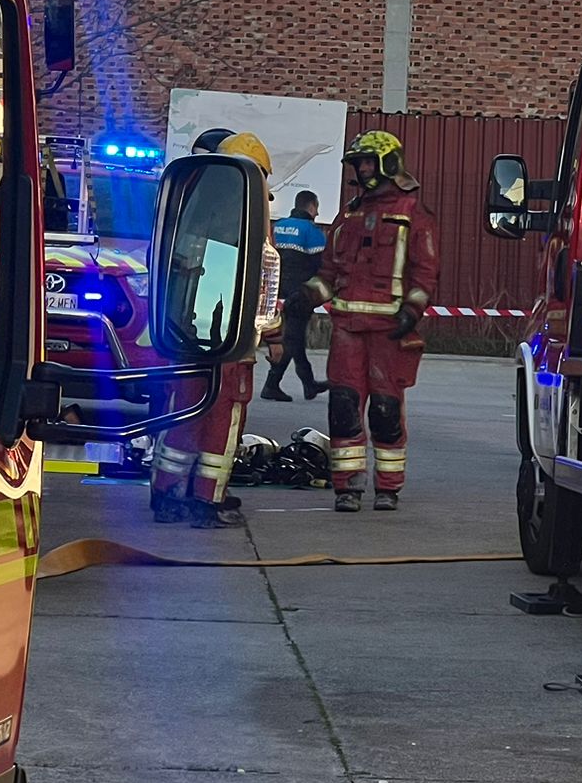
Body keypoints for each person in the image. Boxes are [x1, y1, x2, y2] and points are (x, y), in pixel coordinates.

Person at [296, 131, 438, 513]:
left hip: (389, 332)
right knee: (343, 408)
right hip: (347, 330)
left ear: (389, 163)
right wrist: (306, 296)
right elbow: (329, 273)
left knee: (385, 411)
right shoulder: (350, 214)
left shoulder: (411, 212)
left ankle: (388, 487)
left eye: (367, 162)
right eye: (357, 163)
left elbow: (425, 274)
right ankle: (348, 486)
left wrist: (412, 312)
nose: (361, 169)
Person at [150, 128, 270, 527]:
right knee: (222, 422)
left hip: (188, 335)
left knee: (182, 415)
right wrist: (269, 327)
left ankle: (167, 494)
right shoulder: (250, 221)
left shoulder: (193, 211)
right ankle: (206, 501)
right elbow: (263, 284)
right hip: (232, 340)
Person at [263, 189, 329, 402]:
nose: (317, 213)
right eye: (316, 208)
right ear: (311, 206)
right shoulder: (312, 232)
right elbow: (322, 265)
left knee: (293, 339)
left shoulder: (278, 226)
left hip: (274, 293)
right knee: (292, 339)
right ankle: (272, 384)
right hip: (298, 294)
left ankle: (308, 383)